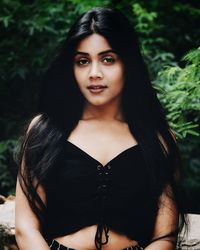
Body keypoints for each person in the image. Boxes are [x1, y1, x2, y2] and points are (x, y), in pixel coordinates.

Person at [15, 7, 186, 250]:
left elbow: (165, 237)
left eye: (108, 59)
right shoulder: (44, 130)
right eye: (83, 61)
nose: (94, 73)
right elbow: (25, 228)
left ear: (128, 64)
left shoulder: (159, 140)